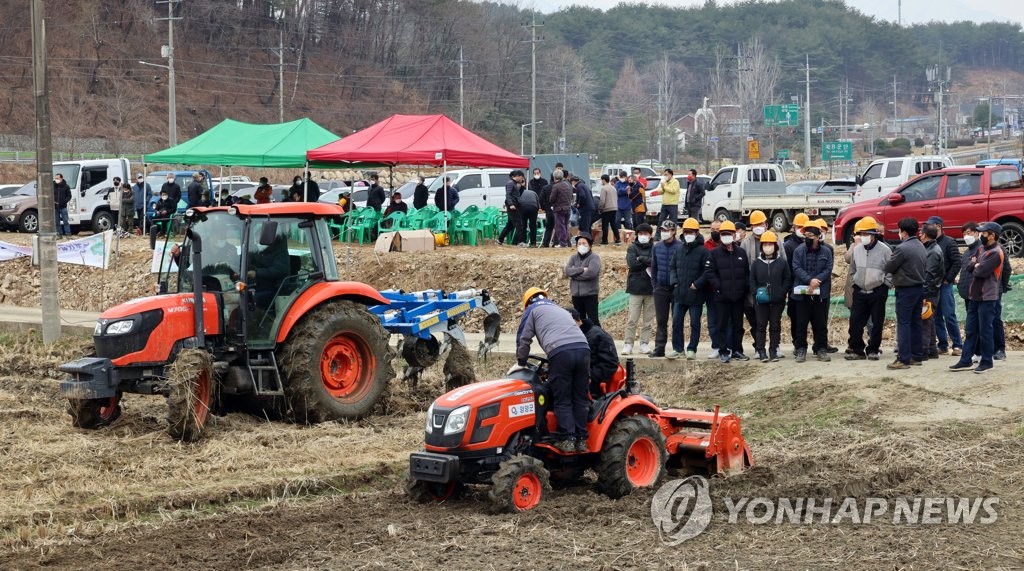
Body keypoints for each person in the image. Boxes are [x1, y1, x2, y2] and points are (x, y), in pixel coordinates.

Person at [514, 288, 591, 453]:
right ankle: (581, 439)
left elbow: (523, 338)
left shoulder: (532, 310)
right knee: (579, 397)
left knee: (562, 398)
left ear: (527, 303)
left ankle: (568, 438)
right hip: (584, 349)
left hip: (561, 352)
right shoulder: (559, 309)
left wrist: (521, 361)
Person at [950, 222, 1005, 374]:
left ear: (992, 235)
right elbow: (968, 266)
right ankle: (966, 359)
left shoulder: (995, 252)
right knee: (971, 329)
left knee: (985, 330)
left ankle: (987, 361)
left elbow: (980, 271)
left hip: (987, 297)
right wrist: (975, 264)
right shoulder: (981, 248)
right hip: (974, 296)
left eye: (983, 233)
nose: (980, 235)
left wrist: (977, 264)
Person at [845, 216, 892, 361]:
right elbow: (852, 269)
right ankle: (857, 350)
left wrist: (885, 286)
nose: (863, 237)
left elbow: (890, 270)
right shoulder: (857, 250)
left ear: (873, 234)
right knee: (855, 323)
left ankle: (873, 349)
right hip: (859, 291)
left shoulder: (885, 250)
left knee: (877, 323)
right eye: (861, 234)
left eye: (866, 234)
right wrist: (854, 282)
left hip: (877, 291)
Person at [883, 217, 927, 370]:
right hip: (919, 288)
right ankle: (916, 355)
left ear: (904, 232)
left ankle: (903, 358)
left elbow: (889, 266)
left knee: (904, 323)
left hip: (906, 290)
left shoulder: (902, 248)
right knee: (915, 322)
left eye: (900, 231)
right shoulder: (921, 246)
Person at [703, 220, 749, 362]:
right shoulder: (715, 253)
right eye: (723, 234)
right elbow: (709, 272)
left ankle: (737, 350)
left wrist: (744, 288)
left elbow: (746, 272)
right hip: (722, 297)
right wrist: (719, 287)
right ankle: (723, 351)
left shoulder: (741, 252)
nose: (725, 236)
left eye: (728, 234)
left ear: (734, 235)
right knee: (721, 325)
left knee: (738, 326)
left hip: (738, 297)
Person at [791, 219, 834, 363]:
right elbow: (796, 267)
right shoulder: (798, 251)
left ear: (817, 237)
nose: (807, 238)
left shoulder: (827, 251)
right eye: (806, 235)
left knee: (820, 323)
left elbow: (828, 269)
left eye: (810, 235)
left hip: (820, 294)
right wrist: (810, 280)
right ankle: (801, 349)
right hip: (803, 294)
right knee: (801, 323)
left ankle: (821, 348)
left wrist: (817, 281)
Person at [749, 230, 791, 362]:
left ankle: (773, 350)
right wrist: (756, 293)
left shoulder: (782, 262)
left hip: (777, 300)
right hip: (761, 300)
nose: (768, 246)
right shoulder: (756, 263)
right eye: (765, 244)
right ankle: (761, 350)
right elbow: (751, 280)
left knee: (775, 325)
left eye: (770, 244)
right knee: (760, 325)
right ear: (761, 246)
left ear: (775, 245)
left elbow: (787, 279)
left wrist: (782, 292)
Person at [669, 218, 709, 360]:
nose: (688, 234)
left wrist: (697, 284)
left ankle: (692, 348)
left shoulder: (703, 251)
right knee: (676, 322)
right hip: (680, 294)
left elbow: (707, 272)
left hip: (695, 294)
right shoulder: (679, 249)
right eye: (686, 232)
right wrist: (674, 282)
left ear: (697, 232)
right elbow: (672, 267)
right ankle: (678, 349)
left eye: (691, 232)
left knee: (694, 323)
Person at [927, 216, 963, 356]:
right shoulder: (929, 243)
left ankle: (957, 345)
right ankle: (942, 344)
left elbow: (956, 262)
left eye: (931, 226)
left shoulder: (949, 242)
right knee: (935, 316)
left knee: (949, 315)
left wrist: (948, 278)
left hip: (945, 285)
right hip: (933, 286)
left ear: (938, 226)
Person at [650, 220, 683, 358]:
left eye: (666, 230)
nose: (664, 233)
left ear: (674, 231)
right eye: (662, 230)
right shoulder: (657, 247)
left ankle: (678, 348)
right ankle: (659, 348)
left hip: (676, 289)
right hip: (661, 289)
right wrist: (655, 285)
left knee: (677, 320)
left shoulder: (681, 247)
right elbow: (654, 267)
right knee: (661, 321)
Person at [567, 307, 619, 396]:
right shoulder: (570, 336)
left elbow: (610, 363)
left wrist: (588, 376)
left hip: (592, 382)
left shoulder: (599, 336)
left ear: (573, 321)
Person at [623, 223, 654, 355]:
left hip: (651, 289)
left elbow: (655, 262)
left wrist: (641, 258)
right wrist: (645, 261)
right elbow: (632, 264)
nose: (643, 236)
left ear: (650, 235)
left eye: (645, 234)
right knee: (632, 319)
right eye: (640, 234)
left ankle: (644, 343)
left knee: (648, 320)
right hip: (635, 288)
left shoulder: (655, 248)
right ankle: (628, 344)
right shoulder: (632, 248)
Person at [564, 233, 601, 326]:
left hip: (590, 294)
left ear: (590, 245)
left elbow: (591, 274)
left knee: (593, 320)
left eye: (584, 243)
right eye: (579, 243)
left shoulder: (594, 258)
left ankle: (598, 339)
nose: (581, 246)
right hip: (576, 295)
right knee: (579, 320)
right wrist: (581, 269)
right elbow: (567, 271)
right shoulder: (573, 257)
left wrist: (574, 274)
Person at [921, 222, 945, 359]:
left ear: (924, 235)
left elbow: (929, 275)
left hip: (930, 292)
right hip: (932, 290)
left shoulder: (933, 251)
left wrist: (924, 294)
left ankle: (923, 351)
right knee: (928, 320)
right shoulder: (933, 248)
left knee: (924, 321)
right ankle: (932, 349)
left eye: (921, 233)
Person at [703, 219, 724, 358]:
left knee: (725, 320)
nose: (715, 232)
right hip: (710, 289)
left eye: (718, 230)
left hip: (725, 289)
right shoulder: (706, 246)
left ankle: (726, 346)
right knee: (712, 320)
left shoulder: (728, 245)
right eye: (713, 230)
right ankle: (716, 346)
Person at [498, 170, 525, 246]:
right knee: (519, 224)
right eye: (521, 177)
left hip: (514, 205)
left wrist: (522, 186)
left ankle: (500, 239)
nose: (521, 179)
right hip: (512, 206)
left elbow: (518, 194)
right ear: (517, 176)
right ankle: (520, 242)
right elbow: (508, 194)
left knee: (510, 224)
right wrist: (510, 204)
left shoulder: (515, 184)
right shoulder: (510, 183)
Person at [550, 169, 573, 248]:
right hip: (568, 208)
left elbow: (552, 199)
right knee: (565, 226)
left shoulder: (556, 186)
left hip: (559, 209)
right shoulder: (568, 184)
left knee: (560, 226)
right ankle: (566, 242)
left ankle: (563, 243)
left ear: (554, 177)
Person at [597, 174, 620, 245]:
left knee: (605, 225)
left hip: (607, 209)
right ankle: (618, 238)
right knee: (613, 224)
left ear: (604, 180)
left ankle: (604, 240)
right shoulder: (613, 188)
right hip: (614, 208)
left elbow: (602, 200)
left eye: (601, 180)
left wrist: (600, 208)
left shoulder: (604, 188)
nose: (601, 181)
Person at [518, 179, 540, 248]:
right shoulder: (534, 193)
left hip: (523, 207)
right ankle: (533, 243)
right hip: (533, 207)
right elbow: (538, 205)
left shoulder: (520, 192)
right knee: (533, 226)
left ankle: (523, 242)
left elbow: (518, 202)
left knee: (523, 225)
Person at [54, 173, 72, 238]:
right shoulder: (53, 185)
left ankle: (68, 234)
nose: (56, 180)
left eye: (57, 178)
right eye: (55, 178)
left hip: (63, 207)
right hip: (55, 207)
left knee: (65, 221)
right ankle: (59, 234)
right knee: (57, 222)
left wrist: (64, 201)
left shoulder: (66, 186)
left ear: (61, 178)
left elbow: (69, 196)